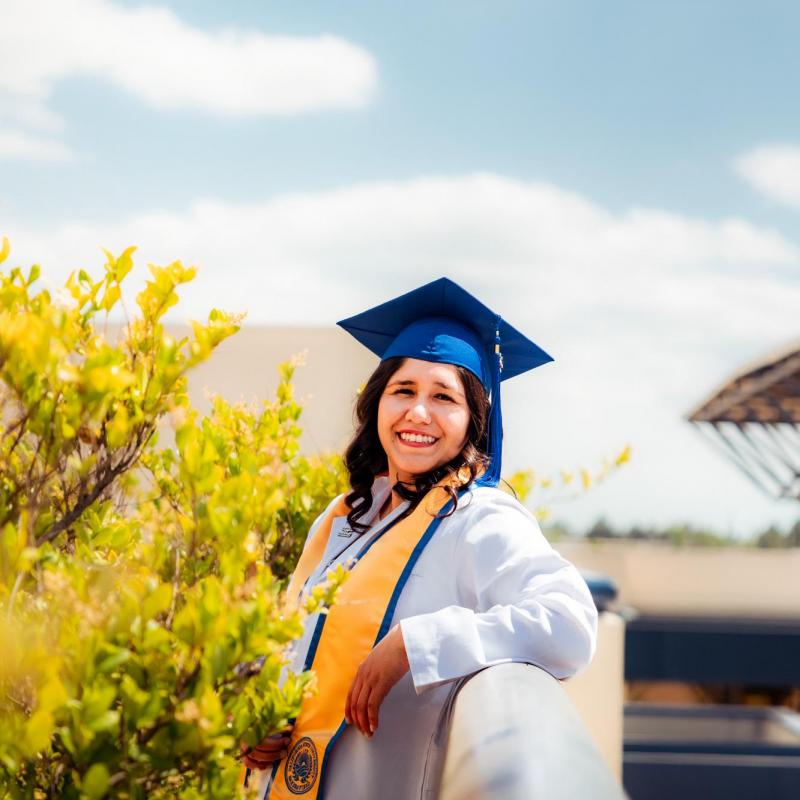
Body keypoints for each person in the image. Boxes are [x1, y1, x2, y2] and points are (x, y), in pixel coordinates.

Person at [242, 278, 598, 800]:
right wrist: (261, 717)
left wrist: (419, 642)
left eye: (444, 397)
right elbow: (293, 642)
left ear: (474, 420)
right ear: (377, 404)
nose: (418, 413)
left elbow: (570, 624)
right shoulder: (344, 518)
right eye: (403, 390)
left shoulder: (479, 518)